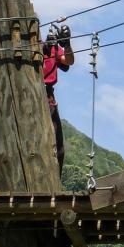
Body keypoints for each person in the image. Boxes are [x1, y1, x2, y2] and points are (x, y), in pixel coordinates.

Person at [43, 23, 74, 174]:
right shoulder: (30, 48)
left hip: (47, 97)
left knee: (58, 149)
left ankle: (55, 180)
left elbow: (68, 61)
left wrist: (66, 43)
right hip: (28, 95)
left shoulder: (52, 48)